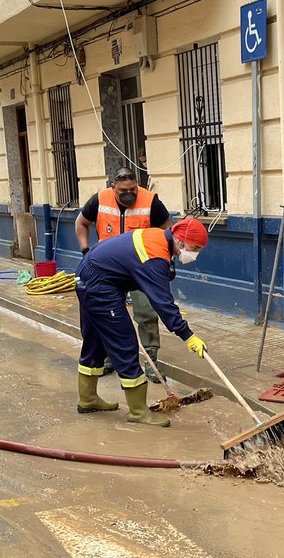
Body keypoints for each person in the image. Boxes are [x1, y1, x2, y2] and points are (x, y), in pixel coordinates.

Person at [75, 218, 210, 427]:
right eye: (195, 248)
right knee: (125, 344)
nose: (196, 254)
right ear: (180, 240)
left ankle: (87, 399)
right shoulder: (155, 256)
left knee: (95, 342)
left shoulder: (158, 237)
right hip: (99, 287)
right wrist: (188, 336)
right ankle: (138, 411)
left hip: (89, 278)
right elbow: (163, 303)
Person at [74, 166, 171, 381]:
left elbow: (168, 231)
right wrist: (85, 251)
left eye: (133, 189)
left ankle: (151, 360)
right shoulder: (99, 200)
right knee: (107, 315)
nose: (129, 194)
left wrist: (166, 260)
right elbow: (81, 223)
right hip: (107, 270)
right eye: (123, 190)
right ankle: (109, 358)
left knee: (147, 312)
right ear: (112, 187)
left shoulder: (150, 201)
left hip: (141, 267)